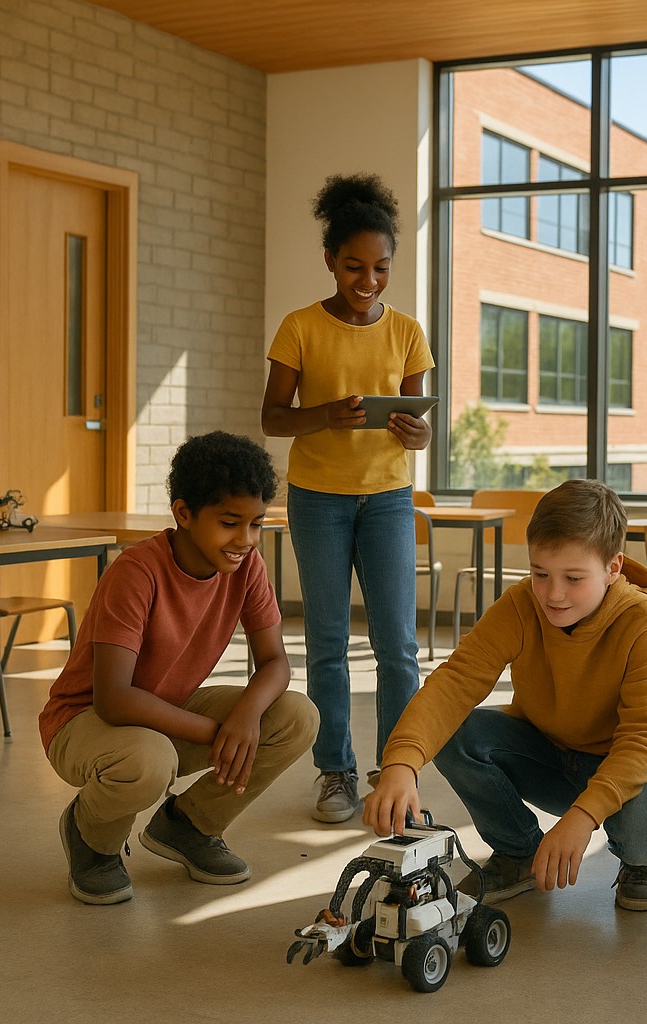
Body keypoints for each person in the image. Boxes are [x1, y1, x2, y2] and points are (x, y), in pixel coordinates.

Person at [364, 479, 647, 912]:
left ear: (613, 568)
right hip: (552, 751)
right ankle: (518, 851)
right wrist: (401, 762)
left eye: (574, 578)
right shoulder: (520, 604)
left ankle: (641, 863)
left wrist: (582, 817)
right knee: (456, 732)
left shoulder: (645, 621)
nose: (553, 594)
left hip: (634, 760)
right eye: (540, 574)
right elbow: (454, 683)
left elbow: (641, 740)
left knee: (644, 820)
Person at [39, 431, 319, 905]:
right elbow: (113, 699)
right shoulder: (137, 570)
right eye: (231, 523)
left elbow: (275, 662)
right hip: (84, 721)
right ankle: (92, 837)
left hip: (165, 709)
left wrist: (246, 717)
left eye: (256, 524)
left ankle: (188, 826)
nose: (246, 540)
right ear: (184, 513)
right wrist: (217, 731)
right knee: (149, 761)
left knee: (296, 716)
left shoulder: (246, 566)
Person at [261, 173, 435, 825]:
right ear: (330, 261)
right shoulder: (300, 327)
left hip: (389, 499)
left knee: (397, 646)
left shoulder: (409, 333)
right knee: (327, 640)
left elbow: (417, 426)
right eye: (355, 266)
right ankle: (334, 772)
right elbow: (273, 418)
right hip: (318, 500)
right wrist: (323, 416)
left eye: (381, 268)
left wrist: (417, 433)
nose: (368, 280)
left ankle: (398, 772)